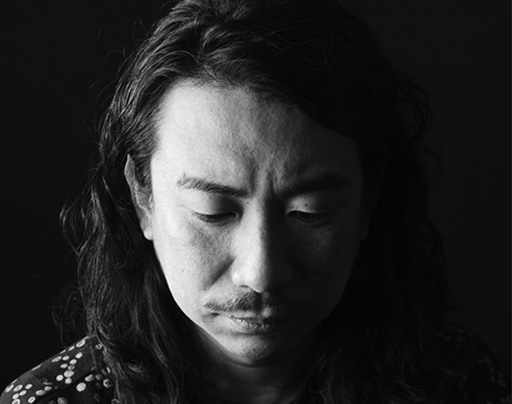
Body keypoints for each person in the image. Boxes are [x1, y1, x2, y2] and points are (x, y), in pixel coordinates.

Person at [1, 0, 510, 403]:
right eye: (213, 213)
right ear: (143, 198)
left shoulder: (458, 383)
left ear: (368, 200)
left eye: (309, 212)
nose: (261, 273)